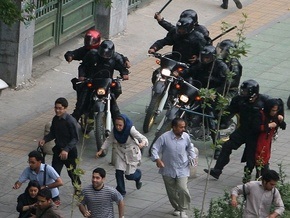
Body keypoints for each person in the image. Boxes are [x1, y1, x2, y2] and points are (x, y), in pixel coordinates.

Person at [204, 79, 269, 182]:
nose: (243, 93)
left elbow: (276, 107)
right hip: (243, 130)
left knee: (253, 157)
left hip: (256, 134)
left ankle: (256, 178)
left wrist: (277, 121)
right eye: (242, 91)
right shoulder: (239, 100)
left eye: (245, 92)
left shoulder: (265, 101)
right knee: (227, 146)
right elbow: (230, 111)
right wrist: (219, 117)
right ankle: (217, 170)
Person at [71, 40, 130, 122]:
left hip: (107, 83)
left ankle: (118, 123)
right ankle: (73, 121)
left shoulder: (116, 58)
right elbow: (83, 66)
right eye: (103, 53)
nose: (105, 56)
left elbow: (122, 67)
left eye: (107, 54)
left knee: (116, 91)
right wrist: (82, 76)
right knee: (81, 103)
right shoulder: (92, 55)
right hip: (92, 81)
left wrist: (124, 73)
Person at [151, 118, 197, 218]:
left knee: (183, 189)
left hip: (182, 168)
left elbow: (190, 147)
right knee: (171, 191)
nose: (183, 129)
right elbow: (154, 148)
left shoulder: (186, 137)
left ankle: (183, 209)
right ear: (174, 127)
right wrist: (157, 160)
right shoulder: (165, 137)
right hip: (168, 168)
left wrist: (193, 157)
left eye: (184, 127)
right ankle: (177, 208)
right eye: (181, 127)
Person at [96, 114, 148, 196]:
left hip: (131, 153)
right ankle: (121, 190)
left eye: (120, 125)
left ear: (124, 124)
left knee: (129, 176)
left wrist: (142, 143)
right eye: (116, 125)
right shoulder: (115, 131)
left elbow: (144, 138)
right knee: (118, 171)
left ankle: (138, 176)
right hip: (120, 152)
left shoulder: (131, 129)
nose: (118, 127)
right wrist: (101, 149)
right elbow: (109, 139)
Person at [39, 97, 81, 191]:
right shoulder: (55, 119)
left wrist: (66, 149)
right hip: (58, 150)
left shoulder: (70, 121)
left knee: (72, 173)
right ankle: (54, 194)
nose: (57, 110)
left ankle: (78, 191)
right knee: (54, 173)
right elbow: (53, 133)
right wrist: (45, 140)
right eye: (56, 108)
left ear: (65, 109)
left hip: (69, 152)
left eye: (60, 108)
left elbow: (75, 138)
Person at [255, 99, 286, 179]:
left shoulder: (275, 116)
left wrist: (281, 120)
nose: (274, 112)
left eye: (276, 111)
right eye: (273, 110)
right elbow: (256, 127)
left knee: (265, 158)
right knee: (259, 158)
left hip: (267, 141)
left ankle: (262, 175)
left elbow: (283, 126)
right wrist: (268, 126)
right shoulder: (261, 114)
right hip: (258, 141)